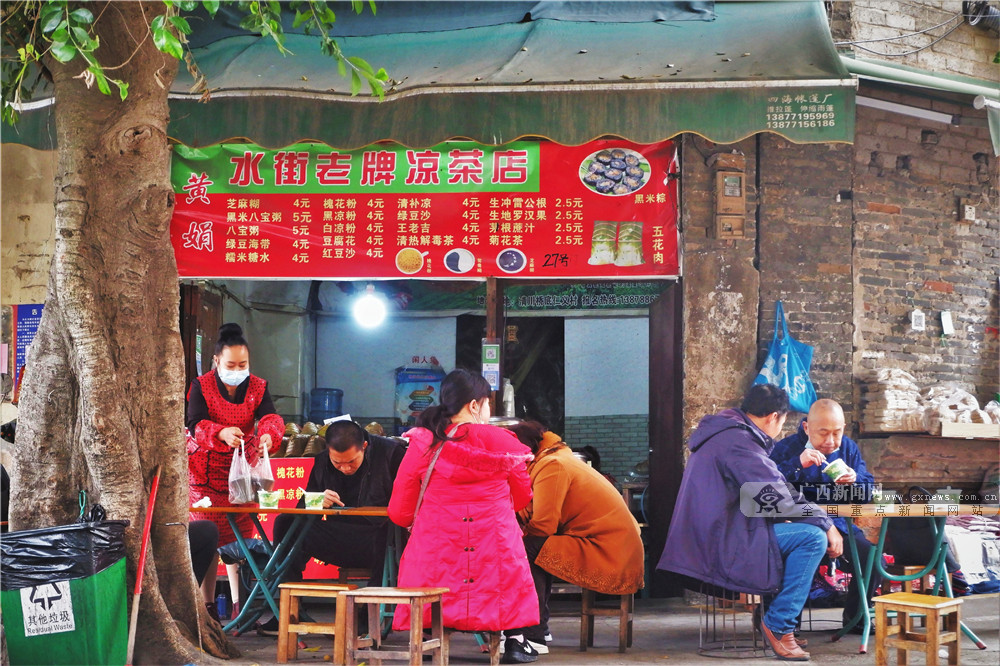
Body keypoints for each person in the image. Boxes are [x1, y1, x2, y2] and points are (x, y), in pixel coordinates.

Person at [657, 384, 842, 662]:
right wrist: (827, 523)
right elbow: (777, 496)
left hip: (714, 535)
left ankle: (773, 619)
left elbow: (763, 493)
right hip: (722, 541)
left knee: (801, 533)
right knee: (811, 537)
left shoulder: (727, 433)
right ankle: (778, 625)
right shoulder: (739, 442)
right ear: (773, 417)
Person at [388, 369, 540, 664]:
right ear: (474, 404)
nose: (487, 411)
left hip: (436, 542)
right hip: (493, 541)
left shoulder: (424, 443)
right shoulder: (507, 443)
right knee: (507, 576)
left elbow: (400, 509)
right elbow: (523, 496)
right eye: (486, 404)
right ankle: (516, 642)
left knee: (431, 573)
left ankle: (427, 640)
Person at [506, 420, 644, 655]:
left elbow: (544, 525)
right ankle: (539, 627)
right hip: (612, 544)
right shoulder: (556, 457)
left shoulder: (553, 465)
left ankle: (534, 633)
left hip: (609, 551)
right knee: (536, 547)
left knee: (526, 548)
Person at [256, 419, 405, 634]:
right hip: (341, 537)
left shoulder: (392, 454)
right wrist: (316, 500)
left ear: (364, 446)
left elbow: (408, 504)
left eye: (351, 462)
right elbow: (303, 509)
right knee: (286, 523)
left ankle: (366, 616)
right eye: (337, 463)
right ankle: (288, 609)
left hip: (382, 541)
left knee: (389, 531)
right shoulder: (322, 461)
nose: (345, 468)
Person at [186, 322, 283, 614]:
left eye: (243, 364)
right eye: (231, 364)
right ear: (216, 361)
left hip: (242, 475)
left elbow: (271, 417)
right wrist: (220, 433)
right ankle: (207, 607)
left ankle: (241, 605)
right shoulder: (200, 386)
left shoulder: (258, 386)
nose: (237, 369)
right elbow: (194, 424)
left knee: (238, 539)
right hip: (204, 476)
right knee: (208, 536)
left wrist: (268, 434)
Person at [770, 398, 881, 634]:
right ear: (806, 427)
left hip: (841, 525)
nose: (830, 442)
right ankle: (786, 625)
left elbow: (866, 493)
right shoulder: (786, 449)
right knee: (794, 558)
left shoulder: (848, 449)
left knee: (871, 558)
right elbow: (768, 491)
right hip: (799, 524)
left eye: (837, 433)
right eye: (823, 433)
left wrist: (856, 481)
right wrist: (797, 464)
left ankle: (855, 617)